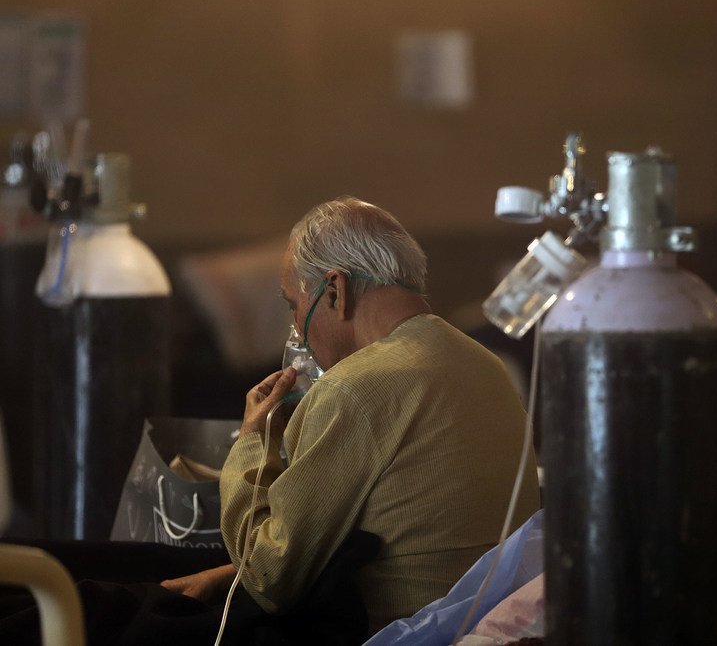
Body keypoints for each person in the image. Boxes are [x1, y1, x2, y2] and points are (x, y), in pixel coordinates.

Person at [162, 196, 541, 637]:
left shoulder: (351, 388)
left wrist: (253, 440)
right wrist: (225, 575)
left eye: (292, 305)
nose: (295, 326)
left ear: (335, 290)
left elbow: (268, 576)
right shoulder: (484, 363)